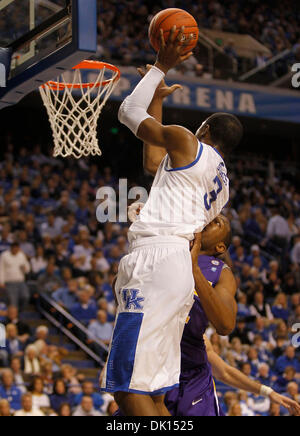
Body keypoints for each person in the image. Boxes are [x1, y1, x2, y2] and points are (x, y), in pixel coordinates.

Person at [101, 26, 243, 416]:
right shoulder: (222, 185)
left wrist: (160, 67)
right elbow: (152, 163)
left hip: (155, 262)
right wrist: (159, 101)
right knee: (156, 392)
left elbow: (128, 112)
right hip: (180, 269)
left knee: (127, 388)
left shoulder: (186, 140)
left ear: (205, 130)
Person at [0, 242, 30, 310]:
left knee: (25, 296)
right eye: (14, 248)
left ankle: (18, 312)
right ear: (11, 248)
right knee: (13, 301)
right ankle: (14, 317)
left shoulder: (21, 255)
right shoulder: (4, 255)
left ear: (19, 248)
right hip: (9, 282)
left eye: (17, 248)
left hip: (21, 282)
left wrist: (25, 268)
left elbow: (27, 268)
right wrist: (1, 282)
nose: (15, 250)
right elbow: (1, 269)